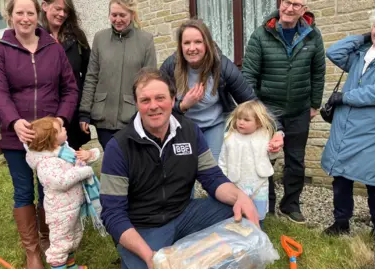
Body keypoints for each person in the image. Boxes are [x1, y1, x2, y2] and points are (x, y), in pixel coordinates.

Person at [100, 68, 260, 269]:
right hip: (143, 227)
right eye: (145, 100)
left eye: (160, 98)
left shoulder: (190, 131)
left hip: (184, 214)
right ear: (136, 103)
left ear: (173, 98)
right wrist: (149, 256)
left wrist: (240, 197)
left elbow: (212, 177)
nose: (154, 106)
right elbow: (112, 214)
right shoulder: (118, 146)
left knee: (240, 210)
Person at [0, 0, 79, 267]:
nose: (25, 18)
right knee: (23, 190)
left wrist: (60, 120)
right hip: (18, 134)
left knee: (50, 188)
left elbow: (70, 88)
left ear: (37, 15)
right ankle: (32, 251)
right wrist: (14, 121)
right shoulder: (0, 50)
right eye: (20, 13)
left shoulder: (53, 47)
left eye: (30, 13)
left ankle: (51, 238)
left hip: (50, 136)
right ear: (11, 16)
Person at [242, 0, 326, 224]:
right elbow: (249, 74)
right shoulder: (261, 34)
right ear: (280, 4)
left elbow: (318, 72)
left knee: (296, 161)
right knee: (265, 158)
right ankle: (266, 203)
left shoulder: (312, 35)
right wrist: (256, 110)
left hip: (299, 110)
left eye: (297, 5)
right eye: (287, 3)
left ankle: (290, 205)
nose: (290, 9)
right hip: (268, 110)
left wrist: (314, 104)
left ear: (304, 8)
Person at [321, 3, 375, 252]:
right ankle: (341, 222)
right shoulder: (361, 53)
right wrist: (362, 37)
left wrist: (346, 97)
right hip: (345, 127)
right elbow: (333, 52)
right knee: (341, 179)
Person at [160, 19, 284, 162]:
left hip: (215, 124)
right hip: (183, 126)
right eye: (187, 43)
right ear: (180, 46)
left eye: (198, 42)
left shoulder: (222, 66)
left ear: (207, 43)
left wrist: (278, 130)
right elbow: (159, 103)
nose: (192, 48)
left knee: (214, 169)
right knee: (185, 172)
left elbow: (250, 100)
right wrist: (183, 105)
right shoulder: (171, 66)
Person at [79, 0, 157, 149]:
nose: (118, 19)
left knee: (131, 164)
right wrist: (84, 112)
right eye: (114, 15)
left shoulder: (146, 40)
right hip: (103, 118)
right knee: (111, 162)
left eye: (122, 15)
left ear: (132, 15)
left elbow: (149, 82)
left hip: (132, 117)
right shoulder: (99, 38)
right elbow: (91, 77)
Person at [25, 117, 99, 269]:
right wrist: (84, 171)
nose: (65, 129)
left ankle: (70, 266)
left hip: (72, 206)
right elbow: (60, 182)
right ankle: (58, 266)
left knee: (73, 238)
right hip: (60, 212)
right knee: (61, 244)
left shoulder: (64, 151)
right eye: (61, 129)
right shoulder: (45, 163)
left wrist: (89, 155)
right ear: (51, 140)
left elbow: (79, 160)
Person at [218, 100, 279, 228]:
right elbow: (223, 160)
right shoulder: (230, 137)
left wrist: (274, 150)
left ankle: (258, 234)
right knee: (236, 212)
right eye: (239, 118)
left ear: (258, 122)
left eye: (246, 120)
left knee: (257, 213)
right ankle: (238, 235)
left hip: (259, 183)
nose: (241, 122)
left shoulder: (264, 135)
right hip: (236, 183)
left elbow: (271, 156)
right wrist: (222, 179)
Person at [41, 0, 91, 150]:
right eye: (58, 9)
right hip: (46, 111)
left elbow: (89, 72)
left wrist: (85, 110)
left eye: (66, 11)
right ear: (44, 6)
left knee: (74, 159)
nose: (62, 14)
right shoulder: (35, 36)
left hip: (73, 111)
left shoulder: (76, 36)